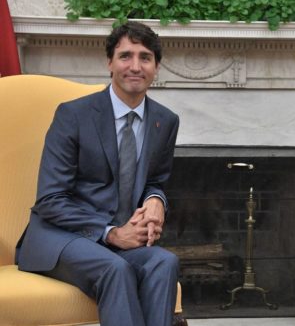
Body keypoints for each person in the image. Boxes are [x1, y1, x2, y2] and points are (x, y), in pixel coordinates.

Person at [15, 21, 180, 326]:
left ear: (157, 67)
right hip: (61, 238)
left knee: (164, 261)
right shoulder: (73, 115)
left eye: (145, 57)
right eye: (125, 56)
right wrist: (111, 232)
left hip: (121, 239)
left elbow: (155, 180)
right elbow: (50, 199)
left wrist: (157, 199)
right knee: (114, 269)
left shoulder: (165, 121)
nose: (135, 66)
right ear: (109, 62)